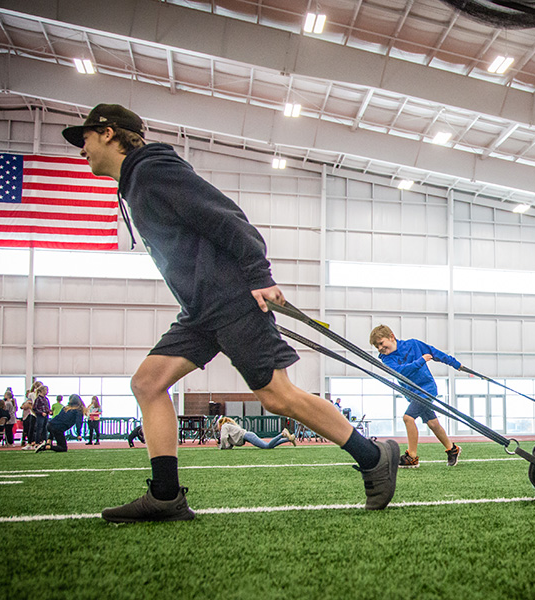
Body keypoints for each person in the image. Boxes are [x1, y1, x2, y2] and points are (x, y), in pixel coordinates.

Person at [62, 104, 398, 522]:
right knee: (148, 384)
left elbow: (226, 217)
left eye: (86, 139)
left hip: (230, 299)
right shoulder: (135, 184)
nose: (82, 149)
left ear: (109, 133)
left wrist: (258, 274)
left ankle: (374, 458)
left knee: (278, 398)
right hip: (200, 310)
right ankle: (165, 495)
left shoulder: (152, 170)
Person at [369, 325, 462, 468]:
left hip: (426, 389)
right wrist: (421, 361)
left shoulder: (413, 345)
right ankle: (452, 449)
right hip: (412, 393)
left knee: (408, 418)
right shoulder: (386, 360)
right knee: (433, 423)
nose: (380, 348)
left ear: (391, 336)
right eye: (377, 346)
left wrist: (455, 364)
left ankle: (412, 456)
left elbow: (434, 352)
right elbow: (401, 372)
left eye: (381, 343)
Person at [216, 417, 297, 449]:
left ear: (220, 424)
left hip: (247, 436)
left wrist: (221, 447)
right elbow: (230, 445)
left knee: (267, 446)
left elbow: (223, 438)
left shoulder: (224, 426)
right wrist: (223, 447)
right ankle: (289, 439)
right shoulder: (229, 427)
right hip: (248, 436)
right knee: (270, 446)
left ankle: (282, 434)